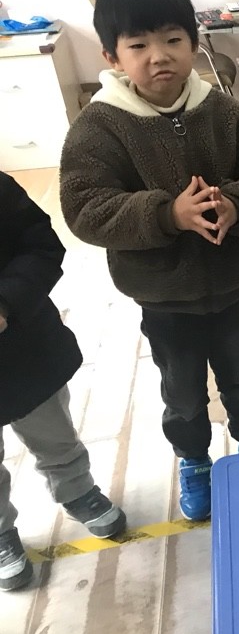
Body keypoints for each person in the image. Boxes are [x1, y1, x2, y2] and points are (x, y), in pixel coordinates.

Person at [60, 0, 239, 522]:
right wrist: (167, 214)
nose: (158, 56)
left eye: (172, 40)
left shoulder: (224, 111)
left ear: (193, 42)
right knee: (182, 393)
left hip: (234, 284)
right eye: (138, 45)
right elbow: (86, 208)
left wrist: (236, 205)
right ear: (112, 55)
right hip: (164, 298)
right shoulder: (99, 127)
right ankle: (194, 459)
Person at [0, 173, 126, 591]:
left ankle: (76, 491)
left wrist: (6, 301)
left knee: (53, 431)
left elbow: (41, 245)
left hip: (22, 347)